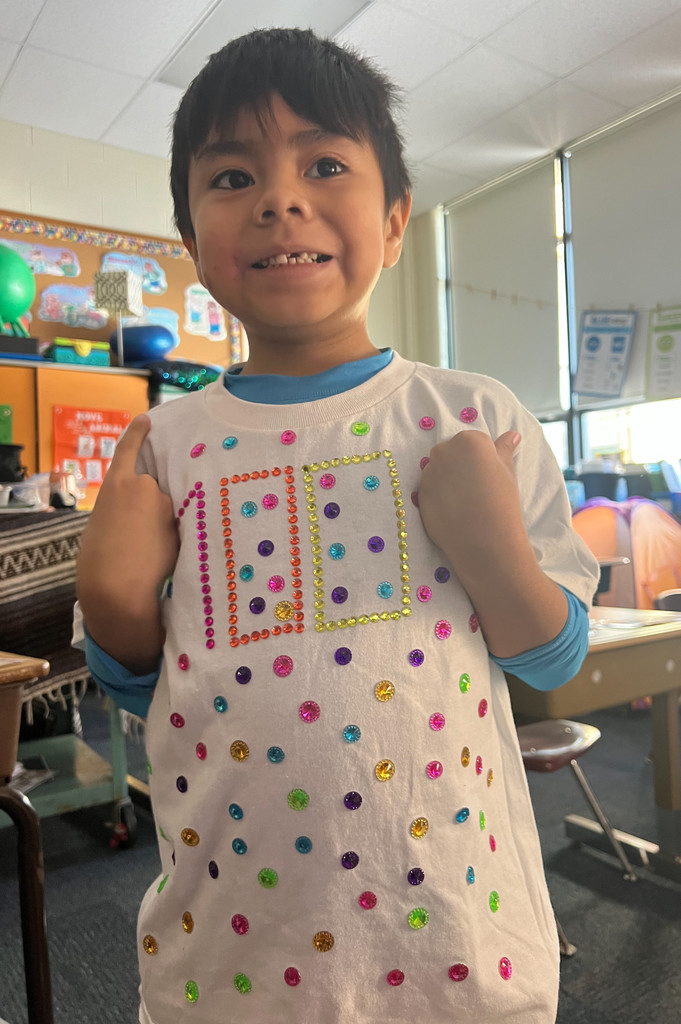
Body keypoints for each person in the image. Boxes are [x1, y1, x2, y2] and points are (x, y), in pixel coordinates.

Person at [75, 27, 599, 1024]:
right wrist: (110, 605)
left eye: (324, 164)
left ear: (397, 221)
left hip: (456, 943)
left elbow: (550, 659)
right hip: (226, 960)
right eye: (233, 176)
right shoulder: (162, 445)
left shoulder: (471, 418)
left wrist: (495, 555)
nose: (280, 197)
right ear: (193, 243)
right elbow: (147, 683)